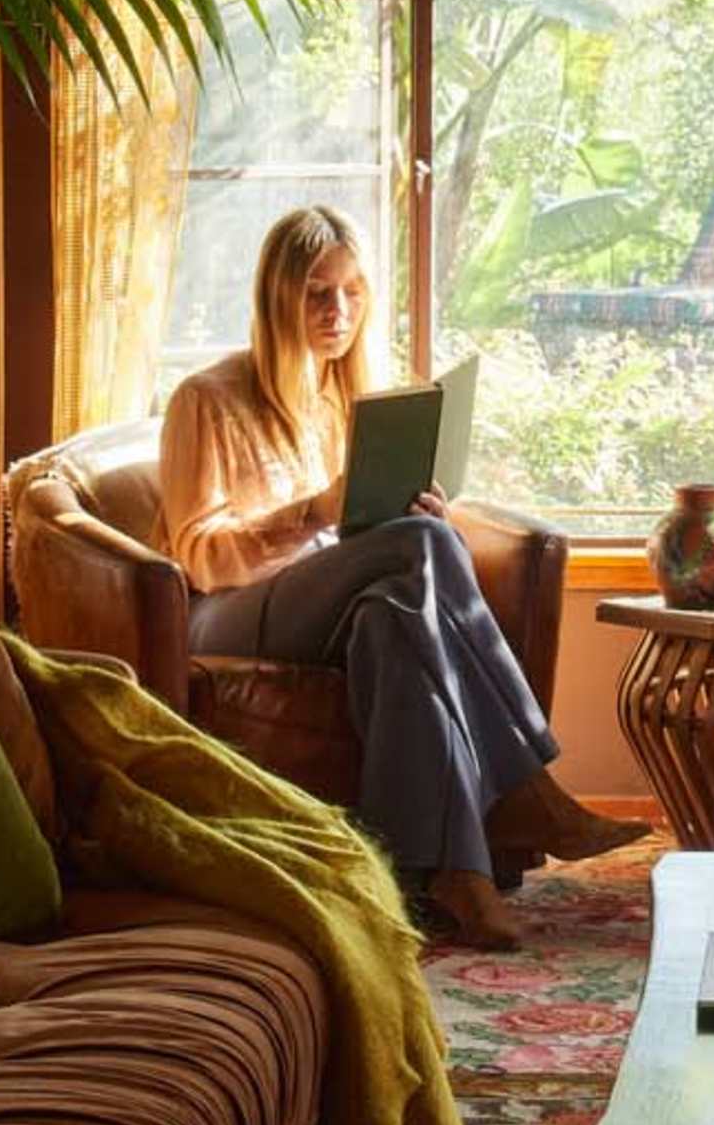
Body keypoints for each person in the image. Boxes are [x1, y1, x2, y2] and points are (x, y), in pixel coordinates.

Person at [156, 207, 618, 948]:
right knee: (419, 549)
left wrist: (403, 511)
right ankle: (527, 785)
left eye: (352, 291)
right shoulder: (206, 399)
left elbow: (365, 544)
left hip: (338, 604)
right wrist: (315, 511)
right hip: (229, 608)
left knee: (397, 613)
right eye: (315, 291)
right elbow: (198, 553)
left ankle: (443, 873)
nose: (336, 310)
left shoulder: (352, 397)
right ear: (277, 296)